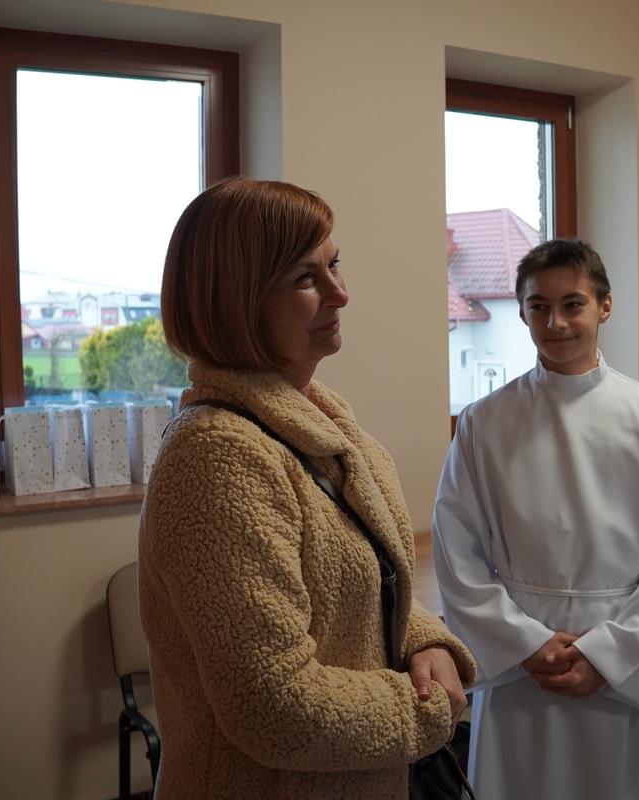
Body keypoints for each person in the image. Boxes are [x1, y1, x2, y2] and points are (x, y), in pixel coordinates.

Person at [137, 177, 475, 800]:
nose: (340, 293)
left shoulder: (320, 424)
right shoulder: (218, 457)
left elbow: (365, 586)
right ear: (236, 301)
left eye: (334, 265)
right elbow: (274, 706)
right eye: (304, 278)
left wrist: (428, 642)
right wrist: (430, 708)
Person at [431, 239, 639, 800]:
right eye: (538, 307)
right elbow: (457, 549)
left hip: (614, 663)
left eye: (572, 304)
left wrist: (609, 655)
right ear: (522, 311)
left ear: (605, 306)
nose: (555, 322)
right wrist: (525, 644)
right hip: (519, 664)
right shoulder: (484, 423)